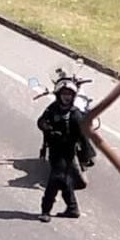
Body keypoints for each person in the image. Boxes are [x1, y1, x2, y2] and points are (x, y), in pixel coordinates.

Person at [37, 77, 96, 223]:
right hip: (54, 150)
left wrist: (88, 155)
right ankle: (72, 208)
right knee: (66, 181)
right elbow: (41, 121)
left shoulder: (75, 115)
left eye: (69, 94)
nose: (66, 97)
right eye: (63, 94)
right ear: (58, 95)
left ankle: (46, 211)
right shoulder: (52, 108)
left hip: (67, 152)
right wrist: (48, 129)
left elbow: (83, 137)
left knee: (55, 179)